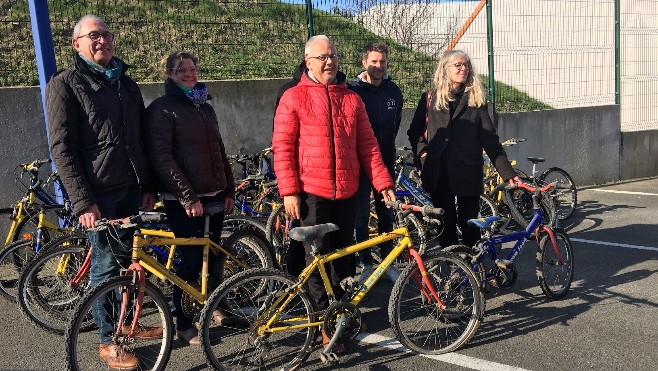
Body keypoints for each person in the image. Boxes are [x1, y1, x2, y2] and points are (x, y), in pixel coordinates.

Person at [45, 14, 158, 370]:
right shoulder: (65, 84)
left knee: (130, 264)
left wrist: (148, 185)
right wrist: (83, 201)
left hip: (130, 188)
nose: (103, 41)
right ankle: (109, 342)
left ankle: (128, 323)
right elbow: (62, 149)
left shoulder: (126, 84)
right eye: (94, 36)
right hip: (99, 194)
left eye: (107, 35)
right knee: (106, 268)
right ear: (76, 43)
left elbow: (140, 140)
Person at [272, 35, 396, 352]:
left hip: (347, 192)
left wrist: (382, 182)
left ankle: (340, 312)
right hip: (310, 193)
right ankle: (322, 323)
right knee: (317, 260)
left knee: (343, 256)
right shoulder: (293, 97)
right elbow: (282, 149)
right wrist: (289, 191)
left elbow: (368, 146)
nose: (329, 61)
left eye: (333, 56)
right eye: (322, 57)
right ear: (308, 61)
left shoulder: (351, 99)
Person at [144, 51, 235, 346]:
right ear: (169, 74)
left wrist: (229, 189)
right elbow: (162, 158)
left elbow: (219, 150)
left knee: (214, 255)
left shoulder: (204, 106)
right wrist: (187, 197)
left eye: (193, 68)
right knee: (190, 260)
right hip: (184, 200)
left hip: (214, 194)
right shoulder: (162, 109)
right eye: (181, 69)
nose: (189, 73)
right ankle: (183, 322)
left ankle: (212, 305)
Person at [407, 49, 516, 249]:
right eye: (458, 65)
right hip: (439, 172)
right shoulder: (429, 98)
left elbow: (490, 140)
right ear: (445, 69)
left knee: (470, 226)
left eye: (466, 65)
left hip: (468, 172)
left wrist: (508, 173)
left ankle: (473, 270)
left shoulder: (476, 101)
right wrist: (423, 153)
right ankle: (453, 267)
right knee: (445, 225)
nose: (463, 68)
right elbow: (414, 132)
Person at [348, 41, 404, 284]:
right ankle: (367, 264)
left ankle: (387, 262)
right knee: (360, 216)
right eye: (374, 61)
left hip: (386, 162)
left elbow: (395, 125)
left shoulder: (394, 92)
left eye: (382, 61)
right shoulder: (353, 91)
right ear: (364, 63)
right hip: (360, 166)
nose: (378, 66)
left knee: (386, 214)